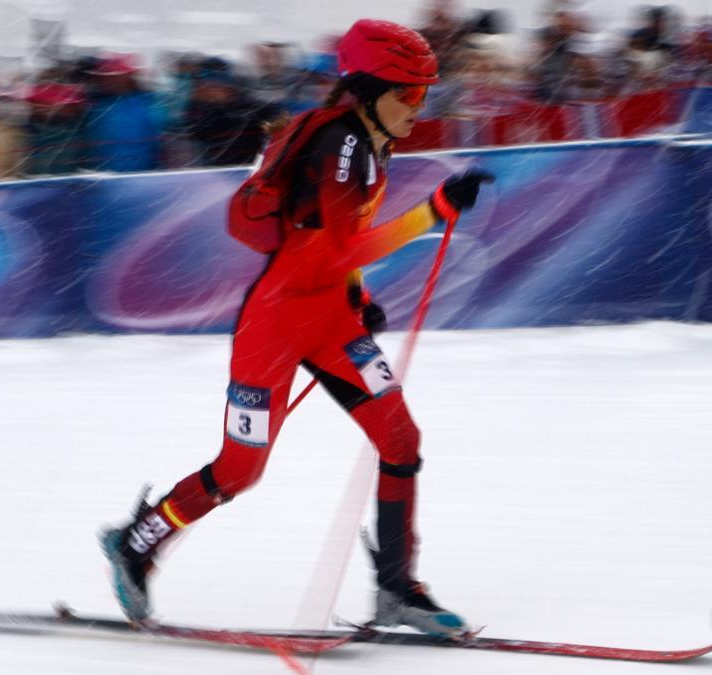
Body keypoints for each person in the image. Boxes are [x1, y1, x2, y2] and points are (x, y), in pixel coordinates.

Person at [99, 18, 493, 636]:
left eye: (425, 93)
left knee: (400, 440)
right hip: (276, 325)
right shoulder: (341, 145)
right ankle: (137, 541)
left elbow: (334, 246)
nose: (420, 106)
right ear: (369, 90)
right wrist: (435, 210)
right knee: (240, 471)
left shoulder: (370, 143)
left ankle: (397, 588)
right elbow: (340, 249)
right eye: (409, 93)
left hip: (330, 319)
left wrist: (359, 298)